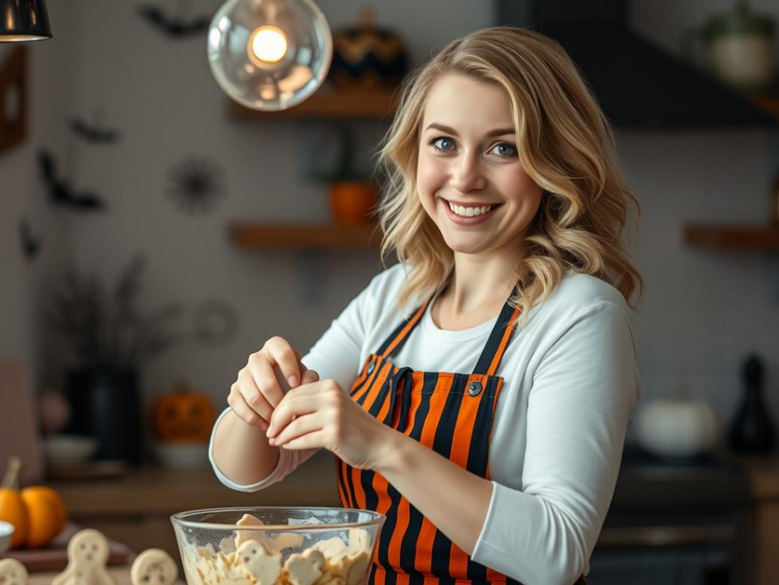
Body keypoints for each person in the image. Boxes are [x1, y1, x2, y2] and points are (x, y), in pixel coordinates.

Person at [209, 26, 642, 585]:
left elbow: (556, 554)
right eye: (443, 143)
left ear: (552, 162)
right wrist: (254, 402)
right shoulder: (394, 297)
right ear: (414, 154)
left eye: (502, 148)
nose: (465, 176)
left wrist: (382, 446)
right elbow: (245, 470)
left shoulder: (578, 316)